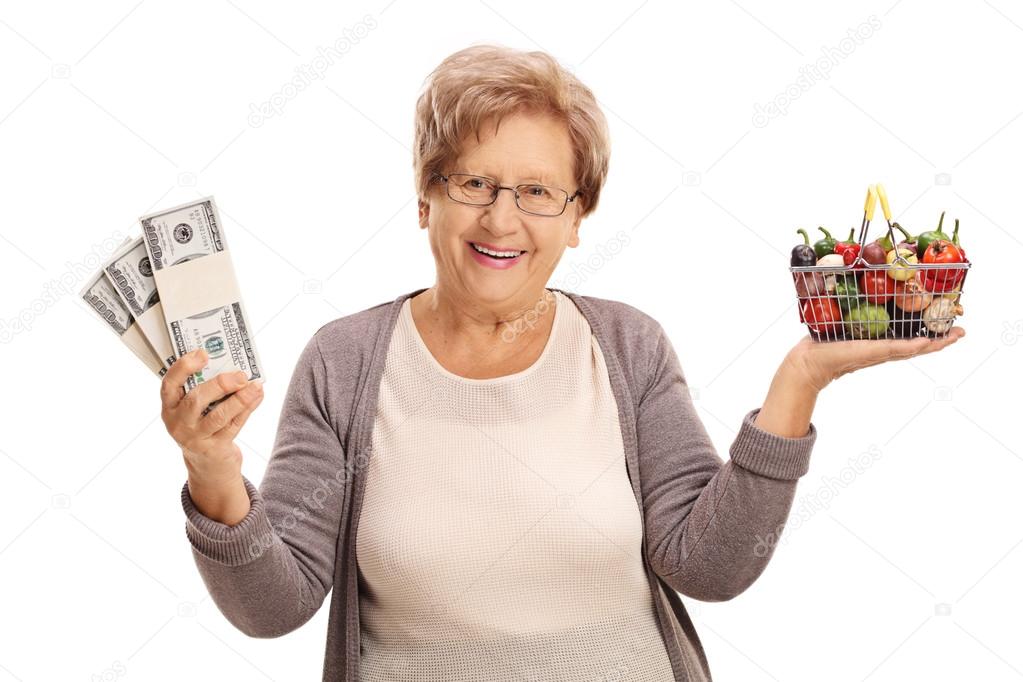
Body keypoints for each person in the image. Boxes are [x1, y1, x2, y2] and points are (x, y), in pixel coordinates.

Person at [160, 44, 965, 681]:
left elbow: (709, 568)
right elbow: (274, 608)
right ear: (423, 198)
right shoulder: (346, 362)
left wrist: (800, 380)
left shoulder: (626, 348)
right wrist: (211, 467)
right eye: (473, 181)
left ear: (577, 217)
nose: (501, 218)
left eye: (539, 191)